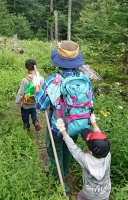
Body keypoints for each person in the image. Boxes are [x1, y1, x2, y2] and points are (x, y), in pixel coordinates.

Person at [32, 40, 94, 196]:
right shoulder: (84, 79)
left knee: (55, 153)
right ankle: (64, 173)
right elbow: (90, 101)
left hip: (57, 127)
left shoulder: (54, 80)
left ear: (59, 60)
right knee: (69, 150)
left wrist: (37, 85)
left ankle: (59, 183)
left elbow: (40, 105)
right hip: (77, 124)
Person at [56, 114, 111, 200]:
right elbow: (101, 139)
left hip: (89, 194)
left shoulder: (85, 160)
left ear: (91, 152)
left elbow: (73, 148)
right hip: (105, 193)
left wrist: (62, 130)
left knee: (81, 196)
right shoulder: (107, 155)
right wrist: (94, 123)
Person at [15, 58, 43, 131]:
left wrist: (18, 102)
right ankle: (36, 121)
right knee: (34, 113)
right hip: (34, 102)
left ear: (27, 69)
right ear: (36, 67)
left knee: (25, 116)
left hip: (25, 104)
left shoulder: (25, 80)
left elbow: (21, 93)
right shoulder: (41, 79)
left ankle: (27, 127)